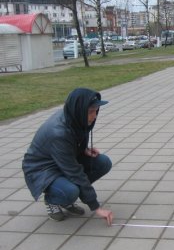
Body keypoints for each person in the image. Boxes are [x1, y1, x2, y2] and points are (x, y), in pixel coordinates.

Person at [22, 88, 113, 225]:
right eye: (90, 112)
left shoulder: (76, 117)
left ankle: (68, 194)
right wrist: (96, 207)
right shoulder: (58, 132)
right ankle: (54, 199)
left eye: (95, 111)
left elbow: (73, 144)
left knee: (103, 162)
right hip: (42, 169)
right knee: (70, 190)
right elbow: (74, 171)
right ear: (79, 110)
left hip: (61, 160)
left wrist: (84, 150)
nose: (94, 116)